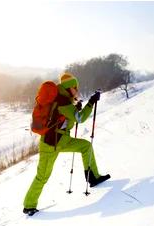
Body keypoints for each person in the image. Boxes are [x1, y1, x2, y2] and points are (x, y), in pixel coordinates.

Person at [23, 73, 111, 215]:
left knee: (85, 146)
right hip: (51, 145)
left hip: (62, 140)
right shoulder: (62, 102)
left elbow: (68, 118)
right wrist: (90, 103)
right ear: (69, 88)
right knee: (42, 176)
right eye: (75, 87)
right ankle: (29, 205)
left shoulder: (63, 100)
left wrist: (76, 108)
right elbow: (80, 119)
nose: (77, 90)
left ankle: (93, 177)